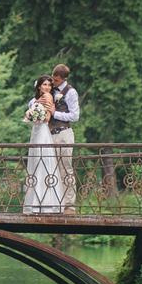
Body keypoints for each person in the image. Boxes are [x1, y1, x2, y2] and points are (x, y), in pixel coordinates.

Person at [23, 75, 65, 214]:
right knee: (35, 164)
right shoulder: (35, 99)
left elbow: (47, 117)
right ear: (39, 86)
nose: (47, 87)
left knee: (44, 163)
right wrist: (30, 113)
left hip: (43, 132)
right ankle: (34, 201)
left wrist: (38, 114)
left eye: (49, 85)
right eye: (44, 84)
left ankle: (46, 203)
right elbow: (27, 114)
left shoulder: (48, 98)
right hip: (35, 133)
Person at [50, 64, 80, 213]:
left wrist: (55, 114)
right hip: (50, 135)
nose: (53, 82)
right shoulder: (51, 89)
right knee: (51, 169)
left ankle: (69, 205)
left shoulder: (71, 92)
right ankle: (56, 203)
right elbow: (33, 99)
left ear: (63, 79)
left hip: (64, 133)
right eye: (53, 79)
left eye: (56, 80)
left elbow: (75, 116)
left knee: (66, 168)